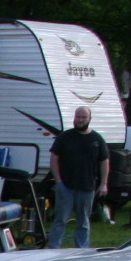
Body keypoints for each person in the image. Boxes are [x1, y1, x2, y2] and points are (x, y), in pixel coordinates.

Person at [48, 106, 109, 248]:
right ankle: (53, 248)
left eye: (83, 117)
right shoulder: (64, 137)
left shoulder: (97, 139)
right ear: (74, 118)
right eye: (78, 117)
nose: (80, 120)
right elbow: (54, 158)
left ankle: (82, 250)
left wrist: (103, 183)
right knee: (60, 220)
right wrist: (58, 181)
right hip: (66, 186)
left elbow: (104, 161)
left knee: (83, 222)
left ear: (89, 119)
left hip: (87, 187)